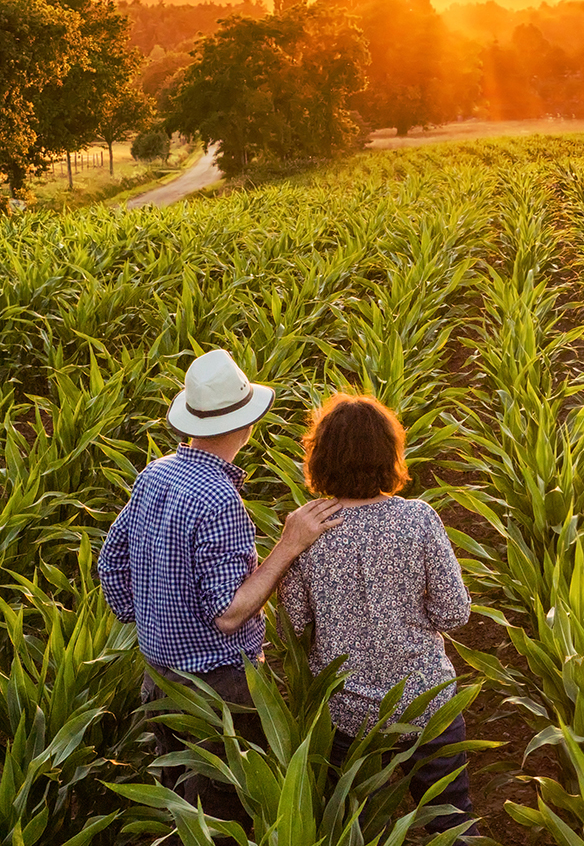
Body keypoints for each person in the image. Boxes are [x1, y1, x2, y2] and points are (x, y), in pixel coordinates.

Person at [98, 348, 343, 819]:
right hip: (218, 688)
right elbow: (229, 613)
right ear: (245, 424)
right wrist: (288, 545)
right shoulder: (218, 499)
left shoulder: (155, 474)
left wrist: (153, 619)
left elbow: (110, 564)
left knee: (182, 809)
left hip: (157, 676)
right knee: (225, 813)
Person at [278, 393, 476, 834]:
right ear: (390, 452)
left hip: (349, 716)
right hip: (428, 703)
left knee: (357, 830)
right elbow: (454, 612)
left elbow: (292, 627)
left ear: (320, 458)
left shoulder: (309, 528)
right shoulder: (419, 519)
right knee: (453, 820)